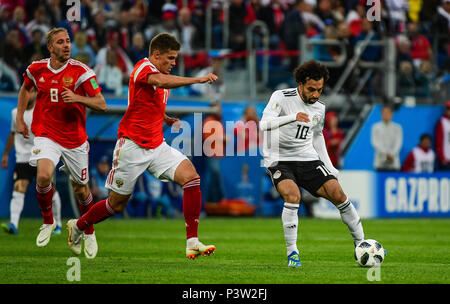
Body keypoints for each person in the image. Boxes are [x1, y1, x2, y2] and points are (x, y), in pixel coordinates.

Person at [66, 33, 218, 260]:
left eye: (175, 59)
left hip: (157, 146)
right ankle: (78, 225)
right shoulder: (142, 68)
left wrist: (165, 117)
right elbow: (158, 82)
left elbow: (147, 101)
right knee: (115, 206)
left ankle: (192, 241)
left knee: (191, 178)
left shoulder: (162, 74)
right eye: (170, 58)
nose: (173, 63)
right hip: (132, 146)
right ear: (156, 55)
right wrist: (197, 80)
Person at [260, 60, 366, 267]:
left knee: (339, 194)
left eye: (319, 89)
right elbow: (264, 124)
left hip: (307, 158)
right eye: (311, 89)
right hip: (279, 159)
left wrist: (329, 166)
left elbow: (317, 136)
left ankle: (361, 244)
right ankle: (293, 254)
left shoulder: (319, 108)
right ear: (300, 84)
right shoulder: (281, 97)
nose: (316, 94)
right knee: (293, 196)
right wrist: (292, 117)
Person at [17, 27, 107, 258]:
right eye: (60, 42)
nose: (66, 45)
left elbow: (101, 104)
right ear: (50, 47)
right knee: (44, 175)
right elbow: (25, 89)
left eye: (68, 41)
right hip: (46, 134)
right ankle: (48, 220)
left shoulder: (81, 71)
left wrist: (77, 97)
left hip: (75, 139)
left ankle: (87, 230)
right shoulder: (37, 69)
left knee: (81, 189)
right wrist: (19, 119)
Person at [1, 89, 62, 235]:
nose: (28, 95)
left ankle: (57, 224)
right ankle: (13, 224)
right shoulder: (16, 113)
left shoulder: (42, 111)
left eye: (32, 92)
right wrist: (5, 154)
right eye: (26, 92)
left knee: (50, 190)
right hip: (22, 158)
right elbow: (12, 133)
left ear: (36, 94)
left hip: (42, 156)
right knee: (19, 188)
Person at [370, 105, 403, 171]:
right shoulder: (376, 127)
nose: (386, 114)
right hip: (380, 161)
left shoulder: (397, 127)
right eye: (384, 113)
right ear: (381, 114)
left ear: (392, 114)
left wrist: (391, 153)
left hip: (393, 160)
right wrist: (385, 153)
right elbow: (375, 142)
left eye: (388, 113)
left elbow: (398, 142)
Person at [435, 101, 450, 170]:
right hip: (446, 160)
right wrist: (441, 157)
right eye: (448, 109)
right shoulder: (442, 122)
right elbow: (438, 141)